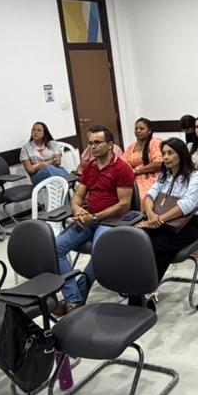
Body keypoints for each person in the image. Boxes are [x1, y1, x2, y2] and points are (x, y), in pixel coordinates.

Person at [54, 125, 136, 312]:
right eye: (90, 143)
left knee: (100, 251)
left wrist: (95, 217)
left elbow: (124, 205)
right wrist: (77, 209)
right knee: (56, 247)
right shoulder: (90, 167)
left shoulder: (122, 169)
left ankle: (76, 297)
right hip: (89, 219)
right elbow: (78, 195)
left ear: (110, 144)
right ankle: (74, 298)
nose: (92, 147)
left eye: (97, 143)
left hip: (111, 221)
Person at [140, 138, 198, 280]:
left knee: (159, 244)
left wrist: (159, 220)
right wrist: (151, 215)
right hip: (162, 221)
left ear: (181, 154)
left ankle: (147, 285)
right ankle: (138, 280)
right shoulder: (164, 175)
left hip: (188, 223)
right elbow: (150, 195)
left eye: (170, 153)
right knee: (139, 238)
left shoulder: (194, 176)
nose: (165, 157)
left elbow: (187, 205)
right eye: (163, 153)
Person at [124, 117, 164, 200]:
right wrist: (129, 172)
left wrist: (137, 170)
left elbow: (159, 164)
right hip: (132, 178)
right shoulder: (131, 146)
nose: (138, 131)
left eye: (141, 129)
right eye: (136, 129)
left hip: (152, 178)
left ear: (149, 131)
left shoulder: (155, 142)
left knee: (141, 196)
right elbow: (123, 163)